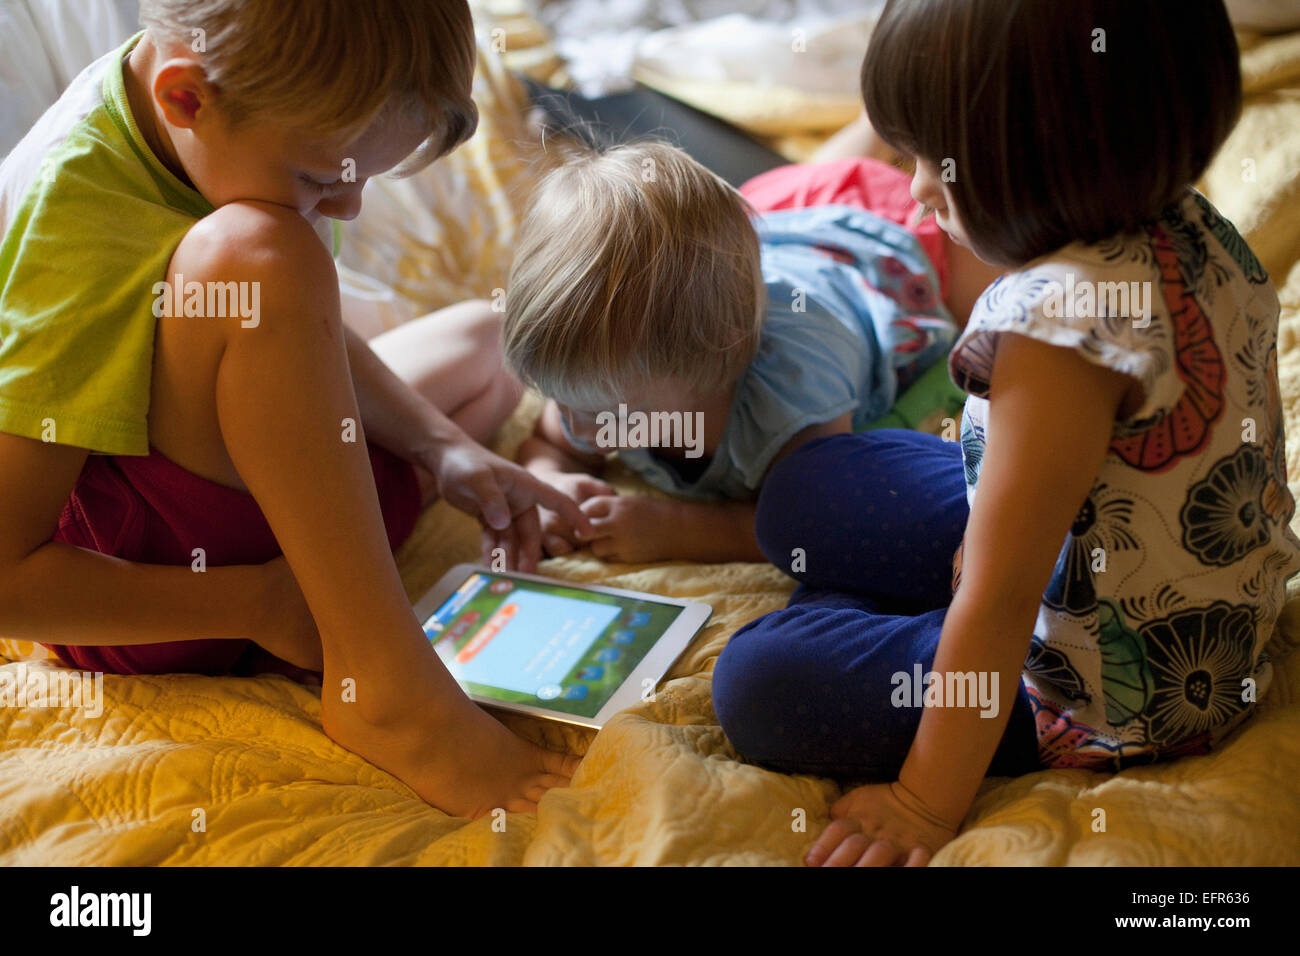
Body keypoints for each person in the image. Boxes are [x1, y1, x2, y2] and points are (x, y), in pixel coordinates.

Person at [710, 0, 1300, 866]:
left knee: (758, 682)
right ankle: (896, 609)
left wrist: (922, 802)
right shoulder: (1185, 220)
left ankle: (895, 627)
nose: (914, 187)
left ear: (1040, 164)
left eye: (935, 161)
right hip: (1108, 546)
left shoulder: (1051, 337)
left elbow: (999, 601)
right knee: (804, 490)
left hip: (1115, 685)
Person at [0, 0, 592, 818]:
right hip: (160, 584)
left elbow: (294, 326)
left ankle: (350, 561)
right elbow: (8, 583)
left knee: (484, 342)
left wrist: (442, 448)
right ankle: (378, 683)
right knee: (263, 254)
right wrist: (256, 601)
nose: (345, 211)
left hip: (247, 517)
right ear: (187, 99)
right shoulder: (68, 217)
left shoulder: (215, 116)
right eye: (321, 181)